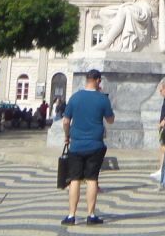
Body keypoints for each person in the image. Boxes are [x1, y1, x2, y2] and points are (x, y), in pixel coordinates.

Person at [61, 68, 113, 226]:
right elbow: (110, 120)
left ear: (86, 80)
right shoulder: (102, 99)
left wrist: (67, 136)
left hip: (76, 144)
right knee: (92, 179)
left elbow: (65, 121)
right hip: (95, 144)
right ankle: (91, 215)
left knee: (74, 180)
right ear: (98, 80)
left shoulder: (75, 97)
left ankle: (71, 216)